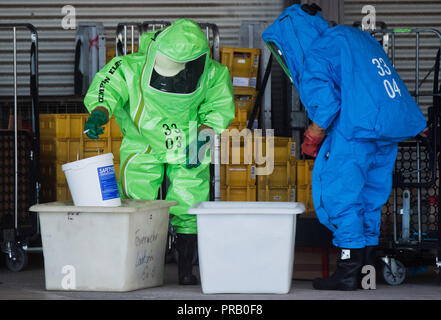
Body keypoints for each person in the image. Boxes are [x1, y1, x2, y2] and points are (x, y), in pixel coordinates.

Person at [262, 4, 426, 290]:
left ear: (293, 37)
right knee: (370, 198)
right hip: (385, 129)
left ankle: (348, 272)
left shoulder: (316, 52)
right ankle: (367, 269)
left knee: (340, 195)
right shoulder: (354, 37)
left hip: (356, 131)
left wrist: (312, 137)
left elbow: (326, 106)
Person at [83, 19, 235, 285]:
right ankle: (140, 266)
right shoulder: (131, 66)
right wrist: (100, 110)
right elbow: (108, 87)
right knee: (138, 200)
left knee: (190, 201)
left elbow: (218, 107)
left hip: (188, 142)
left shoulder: (212, 74)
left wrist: (203, 138)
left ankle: (186, 269)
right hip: (143, 142)